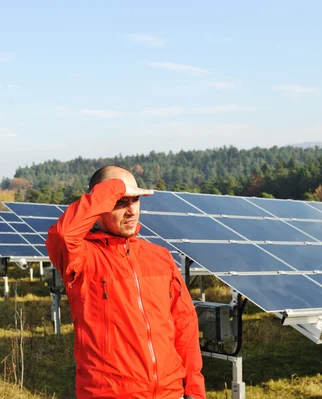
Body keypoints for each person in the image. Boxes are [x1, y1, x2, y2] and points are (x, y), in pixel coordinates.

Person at [46, 165, 206, 399]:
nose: (131, 211)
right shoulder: (82, 258)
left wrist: (193, 389)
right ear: (99, 204)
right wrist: (115, 188)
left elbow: (184, 326)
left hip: (171, 393)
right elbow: (62, 235)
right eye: (120, 202)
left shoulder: (159, 256)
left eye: (135, 200)